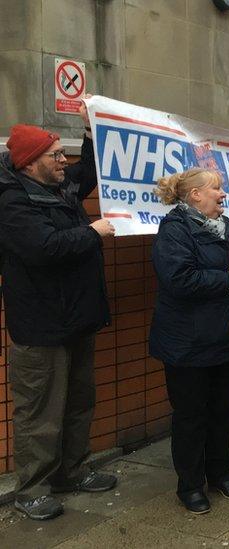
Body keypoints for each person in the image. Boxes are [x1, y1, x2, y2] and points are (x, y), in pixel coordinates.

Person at [0, 116, 118, 521]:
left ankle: (72, 470)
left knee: (78, 403)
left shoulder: (55, 186)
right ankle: (31, 490)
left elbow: (84, 172)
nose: (63, 160)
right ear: (31, 163)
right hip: (42, 327)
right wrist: (94, 231)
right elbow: (44, 248)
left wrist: (90, 133)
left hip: (76, 320)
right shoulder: (12, 201)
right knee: (40, 413)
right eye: (54, 155)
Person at [149, 168, 229, 514]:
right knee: (191, 415)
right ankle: (190, 485)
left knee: (223, 410)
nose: (223, 194)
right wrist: (228, 278)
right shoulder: (175, 230)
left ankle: (221, 471)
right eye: (216, 188)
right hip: (186, 344)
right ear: (194, 195)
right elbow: (180, 279)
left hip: (222, 338)